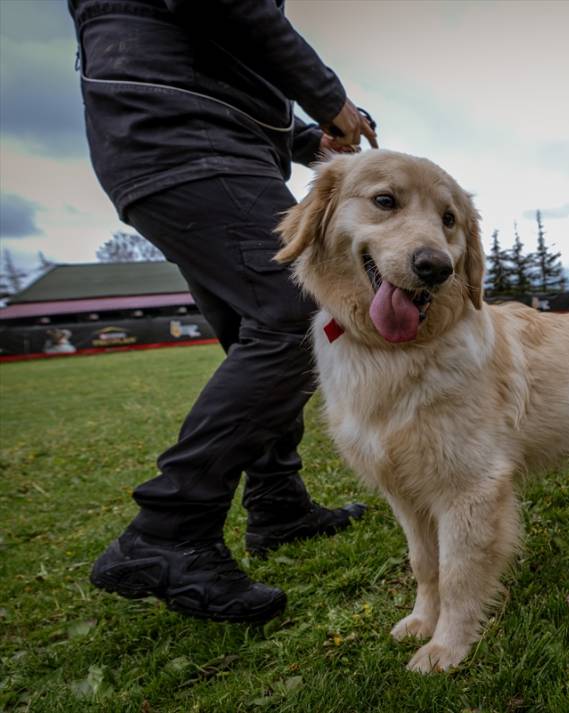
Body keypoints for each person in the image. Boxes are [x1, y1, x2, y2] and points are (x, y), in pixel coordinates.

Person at [69, 0, 378, 624]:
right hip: (179, 136)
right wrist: (330, 98)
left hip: (177, 136)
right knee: (300, 316)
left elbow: (222, 70)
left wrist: (303, 138)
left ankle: (278, 504)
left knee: (253, 326)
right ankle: (167, 529)